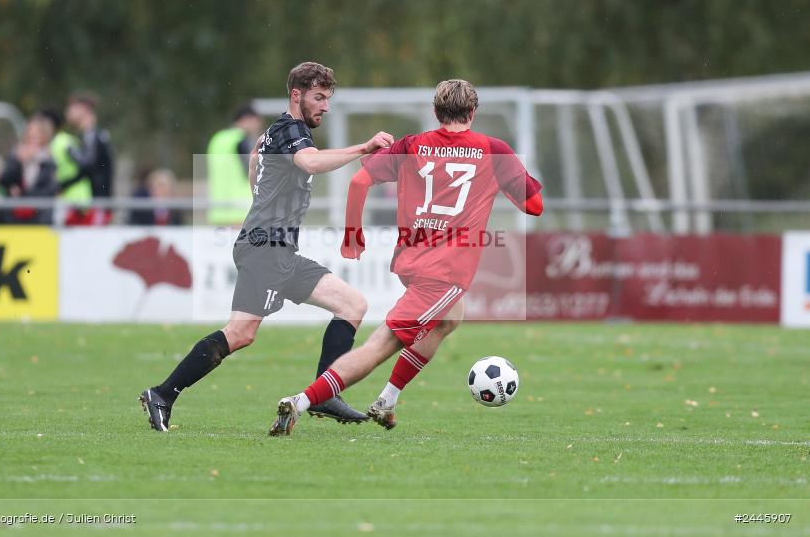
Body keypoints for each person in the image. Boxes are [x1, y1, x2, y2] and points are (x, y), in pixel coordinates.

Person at [269, 79, 544, 436]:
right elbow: (534, 207)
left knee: (449, 318)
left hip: (411, 260)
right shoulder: (494, 151)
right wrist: (502, 185)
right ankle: (301, 401)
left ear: (435, 112)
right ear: (474, 113)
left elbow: (358, 182)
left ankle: (387, 399)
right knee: (380, 346)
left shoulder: (411, 145)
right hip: (444, 271)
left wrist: (353, 234)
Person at [139, 61, 394, 431]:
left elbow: (257, 174)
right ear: (297, 95)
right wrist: (364, 147)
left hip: (279, 249)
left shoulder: (280, 132)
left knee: (352, 304)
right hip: (265, 248)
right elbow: (309, 163)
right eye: (319, 97)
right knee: (241, 332)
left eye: (328, 98)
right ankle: (162, 394)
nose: (325, 106)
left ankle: (325, 395)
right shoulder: (290, 129)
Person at [207, 104, 263, 225]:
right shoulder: (241, 140)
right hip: (240, 211)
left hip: (218, 210)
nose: (258, 126)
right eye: (256, 121)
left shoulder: (217, 139)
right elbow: (254, 169)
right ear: (246, 119)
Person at [0, 114, 57, 224]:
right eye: (30, 130)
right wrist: (18, 161)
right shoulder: (17, 153)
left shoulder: (48, 160)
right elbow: (4, 180)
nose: (32, 134)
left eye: (37, 132)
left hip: (39, 217)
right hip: (15, 217)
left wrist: (23, 194)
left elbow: (49, 189)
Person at [65, 91, 113, 224]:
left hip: (98, 205)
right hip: (94, 204)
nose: (68, 111)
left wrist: (71, 152)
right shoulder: (90, 135)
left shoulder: (93, 135)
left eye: (72, 108)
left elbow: (88, 164)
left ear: (84, 109)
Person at [43, 108, 93, 226]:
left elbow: (85, 166)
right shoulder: (51, 144)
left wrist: (64, 185)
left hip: (77, 199)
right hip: (64, 201)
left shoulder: (63, 142)